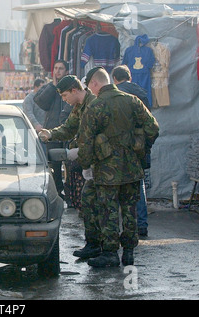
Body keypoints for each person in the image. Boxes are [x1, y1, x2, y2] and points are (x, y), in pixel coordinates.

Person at [77, 67, 159, 267]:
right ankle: (129, 252)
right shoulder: (132, 101)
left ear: (95, 84)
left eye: (90, 87)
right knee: (129, 208)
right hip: (131, 167)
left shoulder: (95, 107)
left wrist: (86, 164)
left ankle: (111, 253)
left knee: (109, 211)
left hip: (106, 171)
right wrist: (140, 148)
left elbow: (85, 141)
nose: (91, 91)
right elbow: (153, 128)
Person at [39, 75, 100, 259]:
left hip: (103, 164)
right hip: (90, 164)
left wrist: (81, 151)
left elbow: (100, 136)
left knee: (101, 207)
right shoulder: (79, 107)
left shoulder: (95, 105)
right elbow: (69, 128)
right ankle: (94, 244)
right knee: (90, 204)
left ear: (75, 90)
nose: (64, 100)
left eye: (65, 95)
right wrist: (50, 134)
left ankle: (104, 247)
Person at [112, 64, 151, 237]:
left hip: (120, 147)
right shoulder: (141, 93)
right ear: (130, 77)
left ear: (114, 79)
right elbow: (150, 123)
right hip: (139, 146)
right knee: (139, 183)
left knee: (118, 186)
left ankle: (123, 227)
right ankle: (141, 224)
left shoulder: (115, 95)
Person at [34, 60, 72, 199]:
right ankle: (57, 192)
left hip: (68, 131)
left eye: (61, 69)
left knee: (69, 164)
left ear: (66, 71)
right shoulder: (49, 87)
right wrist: (53, 86)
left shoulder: (72, 87)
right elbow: (40, 102)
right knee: (54, 165)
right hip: (52, 131)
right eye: (55, 68)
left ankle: (70, 193)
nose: (58, 71)